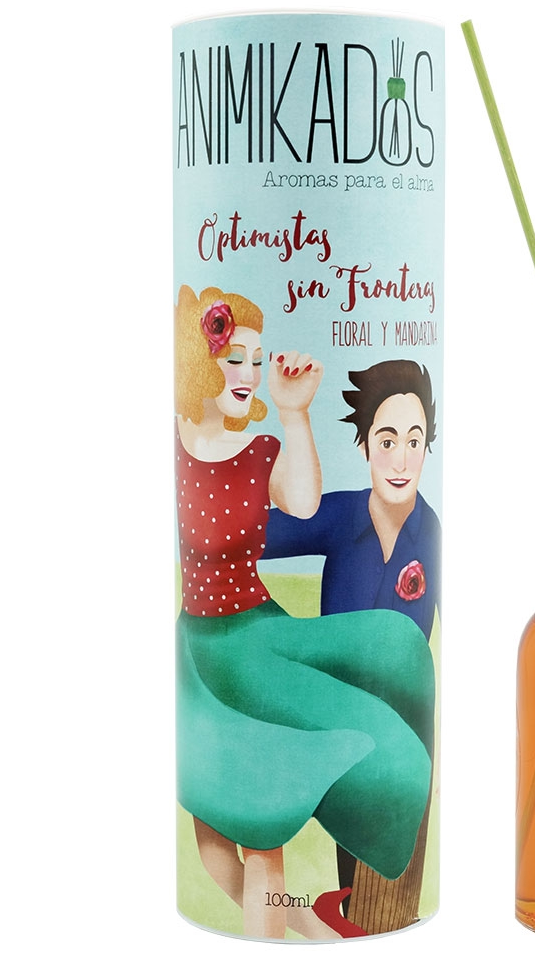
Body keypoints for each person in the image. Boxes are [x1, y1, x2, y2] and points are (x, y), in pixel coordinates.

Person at [174, 285, 434, 940]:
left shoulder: (259, 451)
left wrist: (294, 414)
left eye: (256, 361)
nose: (249, 374)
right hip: (202, 652)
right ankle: (315, 928)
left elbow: (303, 503)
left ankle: (338, 913)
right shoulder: (170, 445)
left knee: (265, 827)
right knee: (215, 844)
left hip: (258, 636)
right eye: (235, 358)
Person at [263, 359, 440, 641]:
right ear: (364, 446)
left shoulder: (432, 531)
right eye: (387, 443)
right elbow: (244, 535)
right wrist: (293, 415)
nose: (402, 463)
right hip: (329, 670)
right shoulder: (342, 515)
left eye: (414, 442)